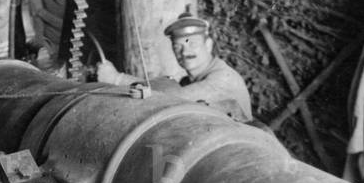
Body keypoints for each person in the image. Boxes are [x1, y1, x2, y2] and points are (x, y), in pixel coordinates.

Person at [97, 12, 253, 123]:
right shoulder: (188, 80)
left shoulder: (222, 78)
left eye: (193, 44)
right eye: (178, 47)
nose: (185, 52)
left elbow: (171, 99)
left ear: (209, 45)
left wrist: (117, 79)